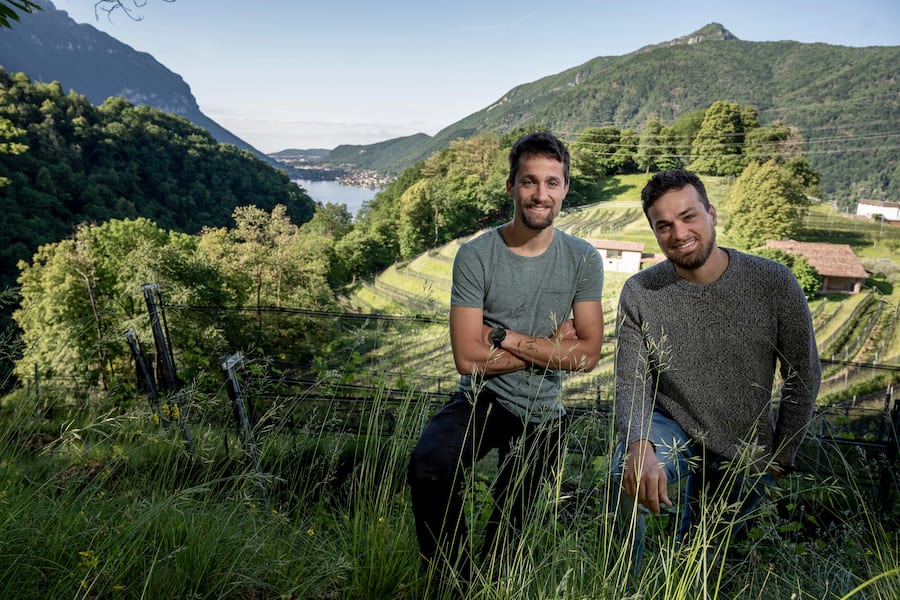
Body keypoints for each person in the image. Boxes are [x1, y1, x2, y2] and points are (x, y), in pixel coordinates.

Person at [407, 131, 605, 586]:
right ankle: (452, 583)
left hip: (544, 411)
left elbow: (588, 355)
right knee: (430, 468)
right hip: (481, 397)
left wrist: (502, 336)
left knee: (507, 538)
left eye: (552, 182)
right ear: (512, 186)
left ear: (566, 188)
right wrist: (549, 349)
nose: (541, 194)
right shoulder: (476, 255)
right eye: (530, 181)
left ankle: (490, 583)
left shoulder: (583, 259)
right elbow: (467, 359)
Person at [613, 169, 821, 572]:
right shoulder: (641, 291)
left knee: (706, 569)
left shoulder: (774, 282)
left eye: (688, 216)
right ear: (655, 232)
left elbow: (803, 374)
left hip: (743, 446)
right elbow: (630, 380)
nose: (678, 232)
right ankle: (619, 584)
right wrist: (638, 443)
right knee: (625, 478)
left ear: (711, 214)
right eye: (664, 225)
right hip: (670, 425)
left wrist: (782, 456)